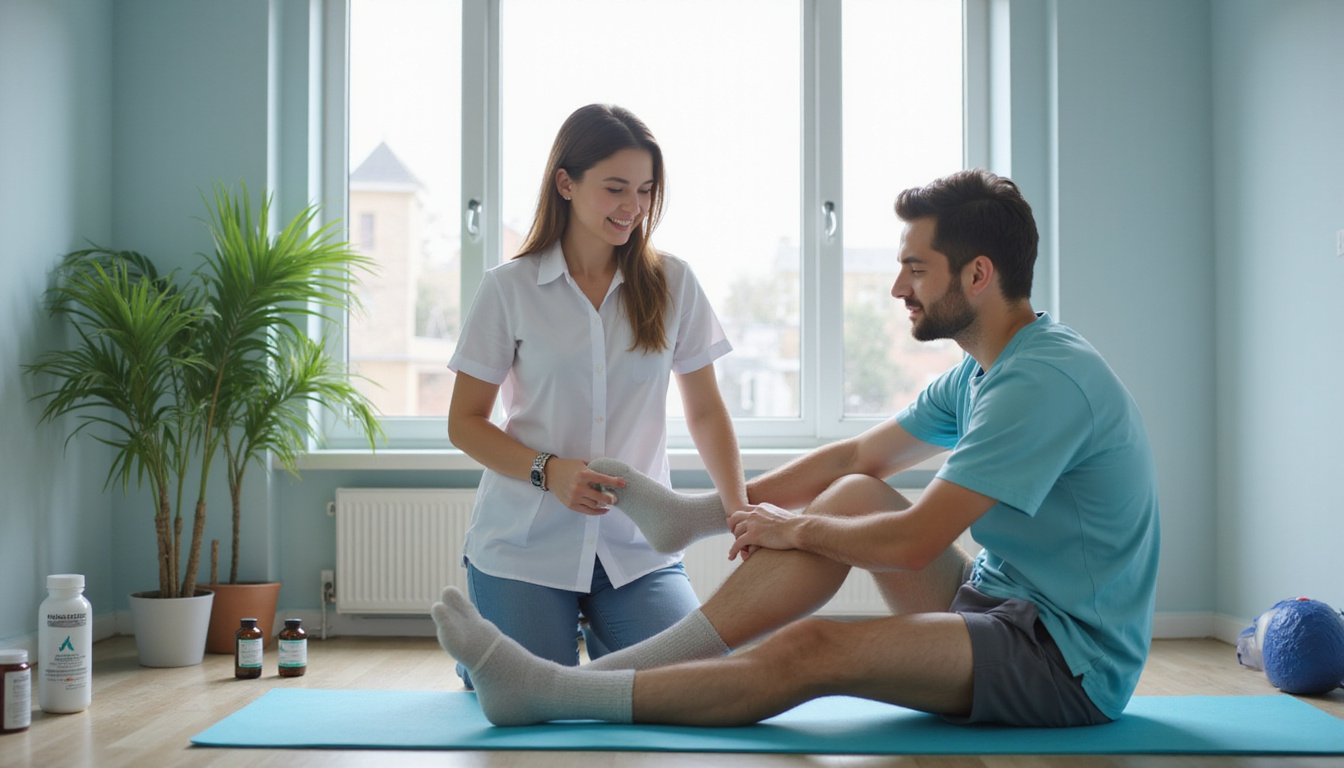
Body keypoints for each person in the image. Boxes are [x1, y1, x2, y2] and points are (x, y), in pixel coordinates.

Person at [434, 168, 1161, 728]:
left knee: (811, 650)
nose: (896, 287)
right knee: (851, 494)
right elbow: (854, 462)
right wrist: (708, 515)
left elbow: (911, 544)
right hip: (995, 602)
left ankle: (548, 690)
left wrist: (795, 528)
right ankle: (577, 657)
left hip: (1064, 659)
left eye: (916, 268)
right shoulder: (983, 369)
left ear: (978, 275)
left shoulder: (1040, 384)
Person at [445, 104, 748, 686]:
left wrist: (736, 507)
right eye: (615, 188)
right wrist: (549, 471)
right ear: (566, 183)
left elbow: (706, 410)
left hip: (635, 550)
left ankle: (600, 648)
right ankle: (495, 645)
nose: (632, 206)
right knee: (527, 689)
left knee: (699, 683)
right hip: (525, 544)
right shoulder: (508, 289)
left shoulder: (674, 283)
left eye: (644, 190)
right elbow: (465, 422)